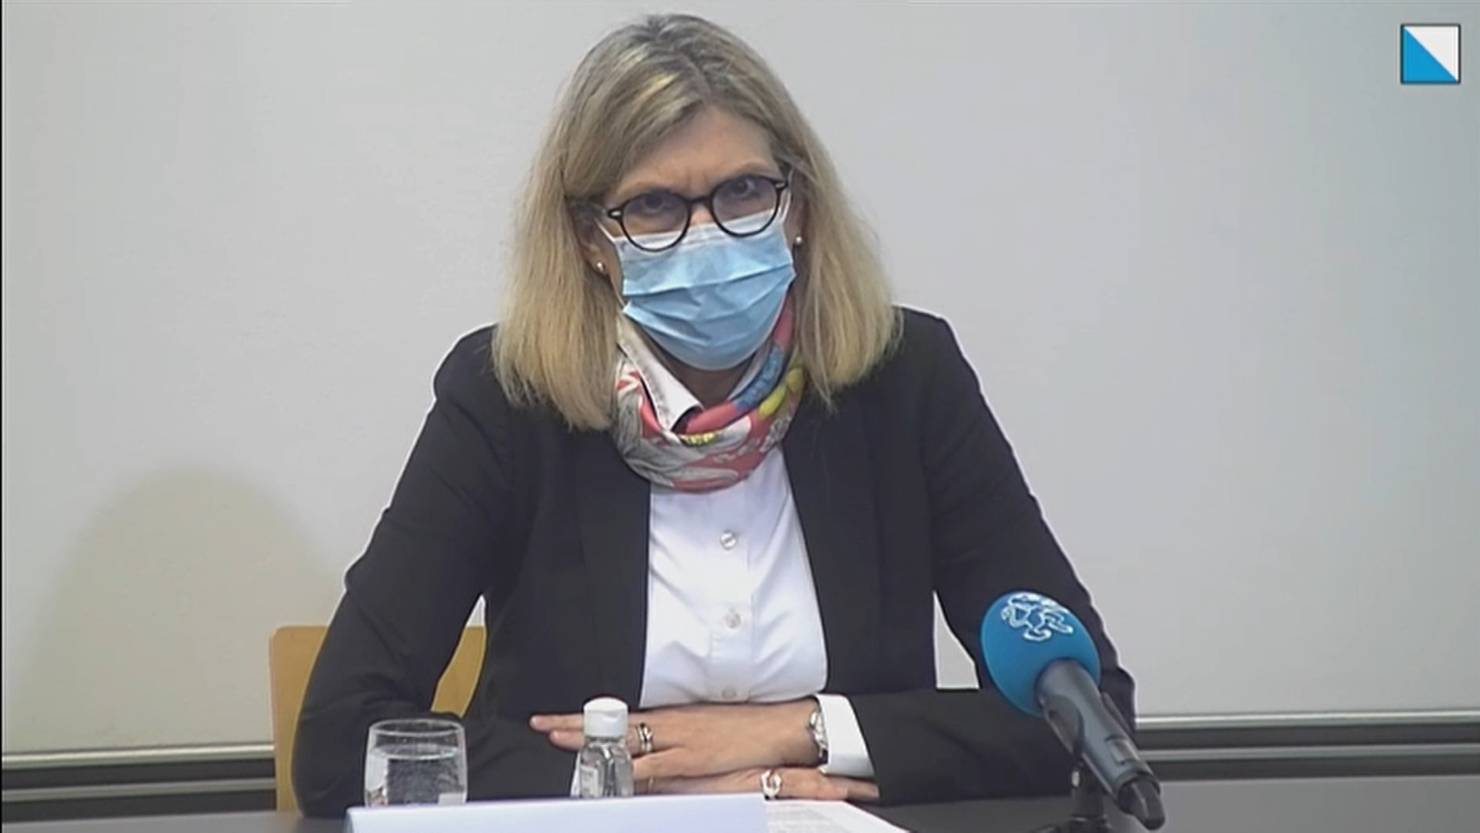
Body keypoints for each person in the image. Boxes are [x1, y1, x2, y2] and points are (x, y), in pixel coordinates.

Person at [293, 13, 1134, 817]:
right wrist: (635, 779)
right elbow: (339, 741)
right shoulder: (506, 396)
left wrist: (801, 731)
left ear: (799, 207)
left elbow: (1087, 710)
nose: (707, 233)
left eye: (743, 191)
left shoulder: (907, 378)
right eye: (654, 206)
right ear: (590, 239)